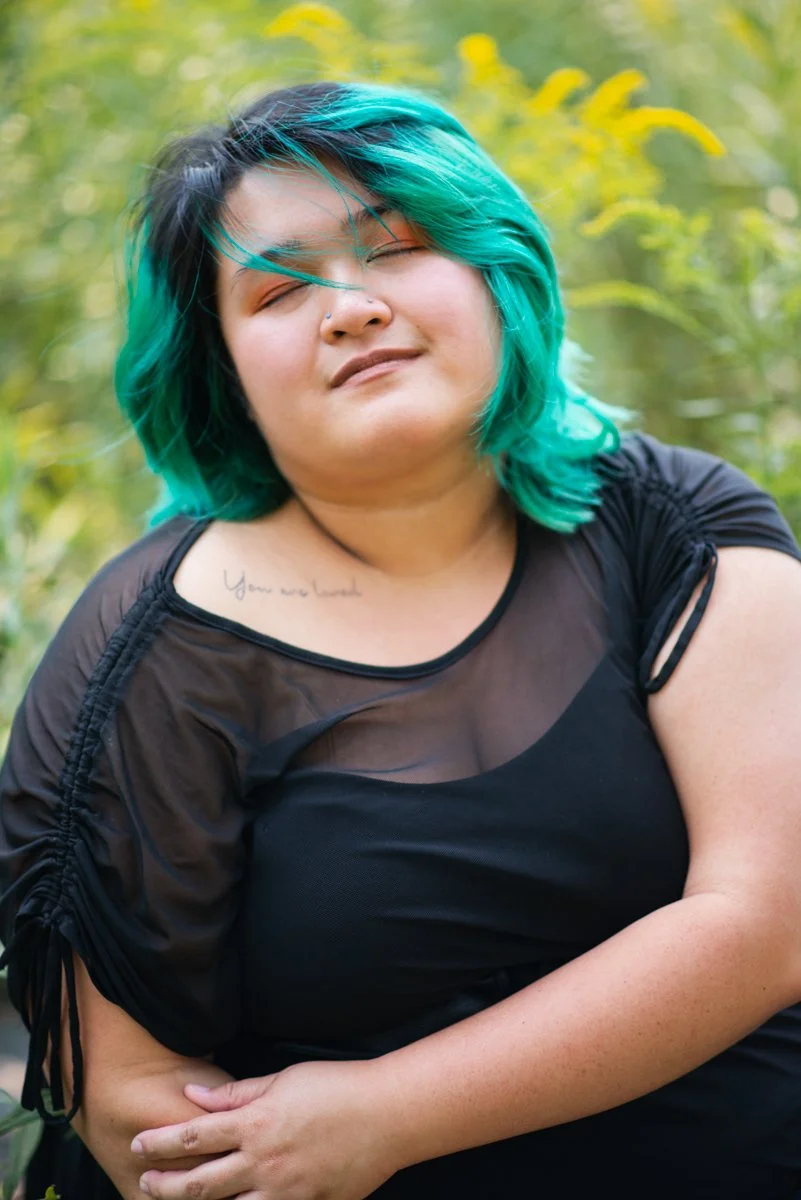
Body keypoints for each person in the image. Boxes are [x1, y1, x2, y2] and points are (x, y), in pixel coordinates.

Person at [2, 79, 801, 1200]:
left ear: (498, 270)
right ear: (218, 368)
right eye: (277, 292)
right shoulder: (149, 656)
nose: (350, 306)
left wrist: (391, 1113)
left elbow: (765, 921)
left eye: (398, 246)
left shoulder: (680, 527)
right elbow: (137, 1112)